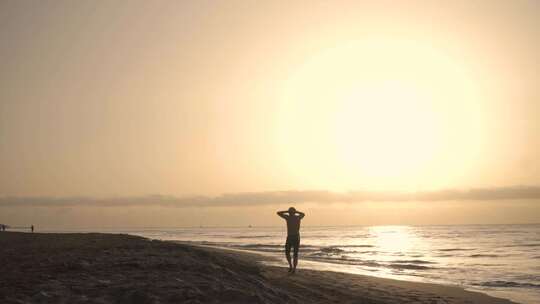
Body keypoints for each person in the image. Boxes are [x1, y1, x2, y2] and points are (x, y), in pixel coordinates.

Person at [277, 207, 305, 273]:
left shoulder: (296, 217)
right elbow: (278, 213)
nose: (290, 213)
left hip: (295, 236)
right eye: (290, 212)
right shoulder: (289, 217)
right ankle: (291, 266)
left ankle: (293, 268)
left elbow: (303, 214)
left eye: (291, 212)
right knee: (288, 252)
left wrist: (292, 212)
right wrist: (292, 212)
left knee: (295, 253)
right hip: (290, 236)